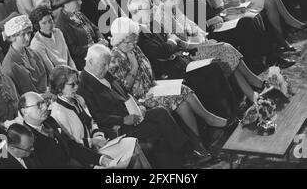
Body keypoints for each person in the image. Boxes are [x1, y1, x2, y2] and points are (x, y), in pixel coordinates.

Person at [109, 17, 229, 160]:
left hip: (152, 87)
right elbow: (123, 89)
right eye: (129, 42)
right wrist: (134, 67)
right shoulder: (115, 57)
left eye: (135, 40)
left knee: (183, 92)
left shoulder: (134, 48)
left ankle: (202, 137)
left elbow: (147, 69)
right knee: (179, 100)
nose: (134, 44)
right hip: (139, 99)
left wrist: (155, 82)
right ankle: (203, 137)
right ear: (119, 40)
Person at [78, 43, 212, 168]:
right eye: (103, 65)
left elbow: (124, 92)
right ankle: (185, 158)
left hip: (131, 113)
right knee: (156, 126)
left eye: (107, 64)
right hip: (118, 126)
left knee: (161, 112)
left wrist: (138, 105)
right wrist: (123, 120)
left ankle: (188, 153)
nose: (107, 68)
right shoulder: (83, 87)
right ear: (90, 62)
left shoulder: (103, 73)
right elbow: (97, 117)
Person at [152, 0, 264, 103]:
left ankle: (251, 92)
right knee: (225, 49)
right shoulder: (160, 16)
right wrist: (201, 43)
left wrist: (204, 40)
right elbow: (180, 42)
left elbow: (194, 28)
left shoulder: (173, 9)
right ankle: (254, 84)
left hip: (195, 46)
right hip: (186, 55)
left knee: (225, 51)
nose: (177, 0)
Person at [128, 0, 239, 119]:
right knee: (211, 69)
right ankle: (225, 115)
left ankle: (231, 111)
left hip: (179, 61)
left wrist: (171, 41)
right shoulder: (137, 34)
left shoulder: (153, 24)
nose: (153, 10)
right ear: (136, 12)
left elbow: (172, 42)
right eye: (149, 8)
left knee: (214, 64)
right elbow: (163, 52)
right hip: (168, 72)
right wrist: (171, 41)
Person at [179, 0, 295, 70]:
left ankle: (266, 58)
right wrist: (212, 21)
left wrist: (223, 13)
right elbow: (197, 25)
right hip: (209, 32)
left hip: (218, 22)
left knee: (250, 18)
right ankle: (262, 60)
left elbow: (212, 11)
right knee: (246, 23)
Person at [49, 65, 150, 169]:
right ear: (59, 87)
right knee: (133, 157)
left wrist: (98, 136)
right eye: (72, 85)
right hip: (86, 157)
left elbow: (91, 121)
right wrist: (92, 141)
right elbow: (71, 145)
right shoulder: (58, 113)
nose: (76, 87)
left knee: (134, 145)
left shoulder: (77, 100)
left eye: (77, 83)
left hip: (97, 146)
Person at [19, 92, 112, 169]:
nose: (45, 107)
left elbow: (72, 146)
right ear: (24, 111)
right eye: (38, 105)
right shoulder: (25, 139)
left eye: (44, 102)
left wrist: (100, 159)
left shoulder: (50, 121)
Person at [54, 0, 108, 70]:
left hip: (99, 53)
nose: (81, 1)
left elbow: (95, 28)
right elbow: (73, 50)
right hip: (87, 64)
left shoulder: (77, 13)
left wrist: (101, 39)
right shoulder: (61, 25)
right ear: (66, 3)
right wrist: (94, 47)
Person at [1, 15, 48, 96]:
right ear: (12, 37)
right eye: (23, 34)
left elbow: (44, 78)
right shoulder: (9, 66)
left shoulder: (34, 53)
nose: (27, 38)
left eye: (29, 33)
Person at [29, 6, 76, 73]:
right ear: (37, 25)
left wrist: (75, 72)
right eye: (44, 23)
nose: (49, 25)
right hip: (59, 77)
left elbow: (69, 58)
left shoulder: (58, 32)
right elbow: (51, 70)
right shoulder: (36, 44)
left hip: (70, 72)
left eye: (50, 21)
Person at [0, 60, 19, 125]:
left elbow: (17, 98)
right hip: (0, 126)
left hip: (16, 120)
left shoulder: (7, 79)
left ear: (0, 64)